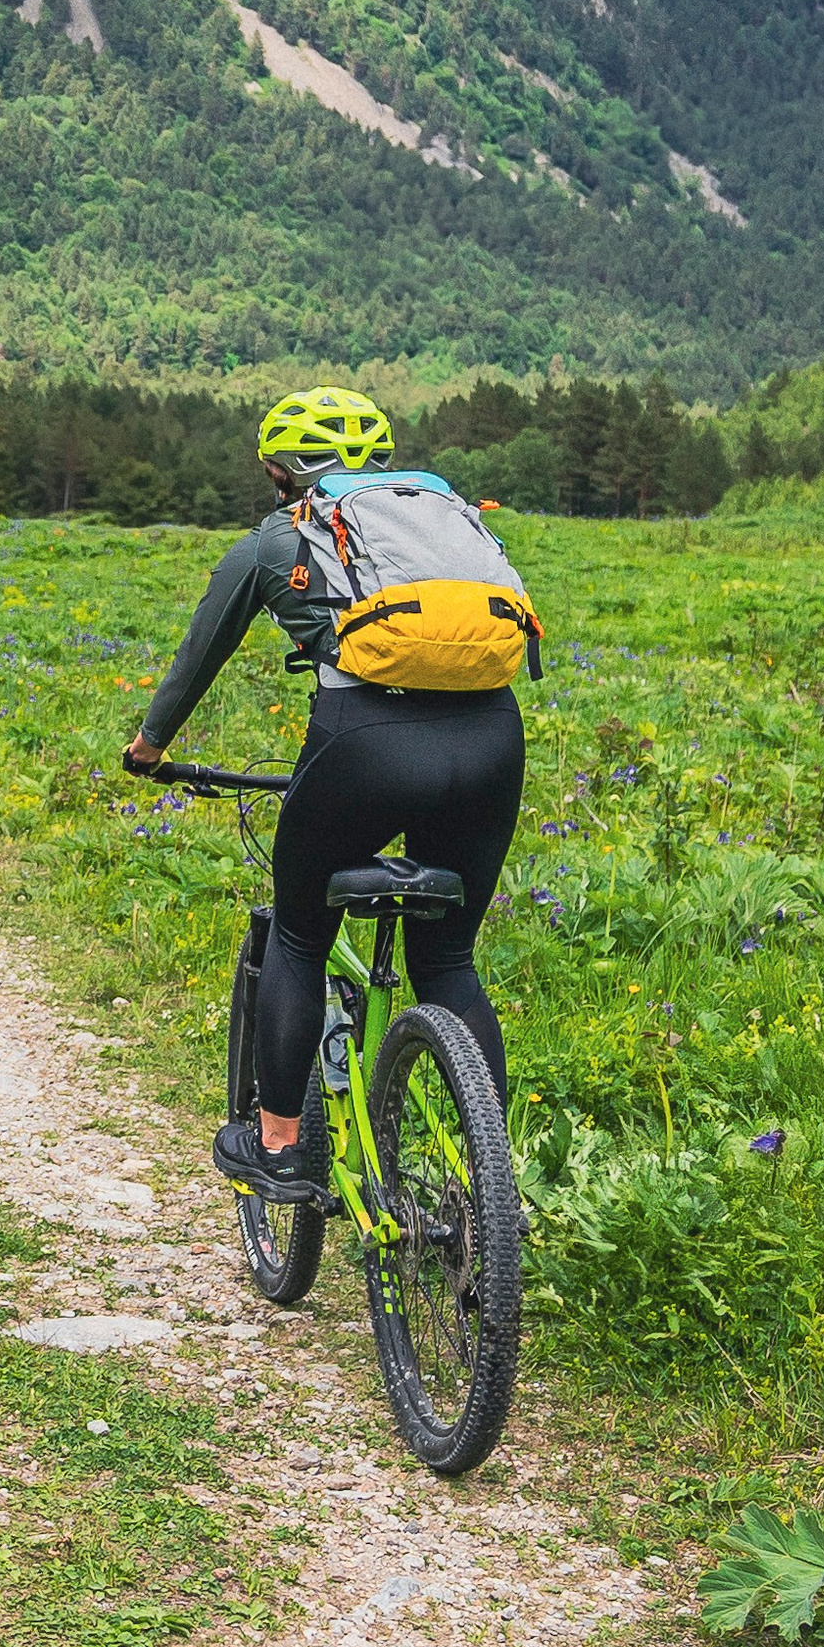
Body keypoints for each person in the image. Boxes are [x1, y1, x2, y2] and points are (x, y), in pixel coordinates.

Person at [122, 386, 524, 1207]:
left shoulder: (277, 540)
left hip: (362, 748)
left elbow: (199, 657)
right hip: (491, 743)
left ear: (285, 473)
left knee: (301, 936)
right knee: (447, 958)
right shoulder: (439, 518)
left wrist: (150, 750)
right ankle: (491, 1185)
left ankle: (278, 1147)